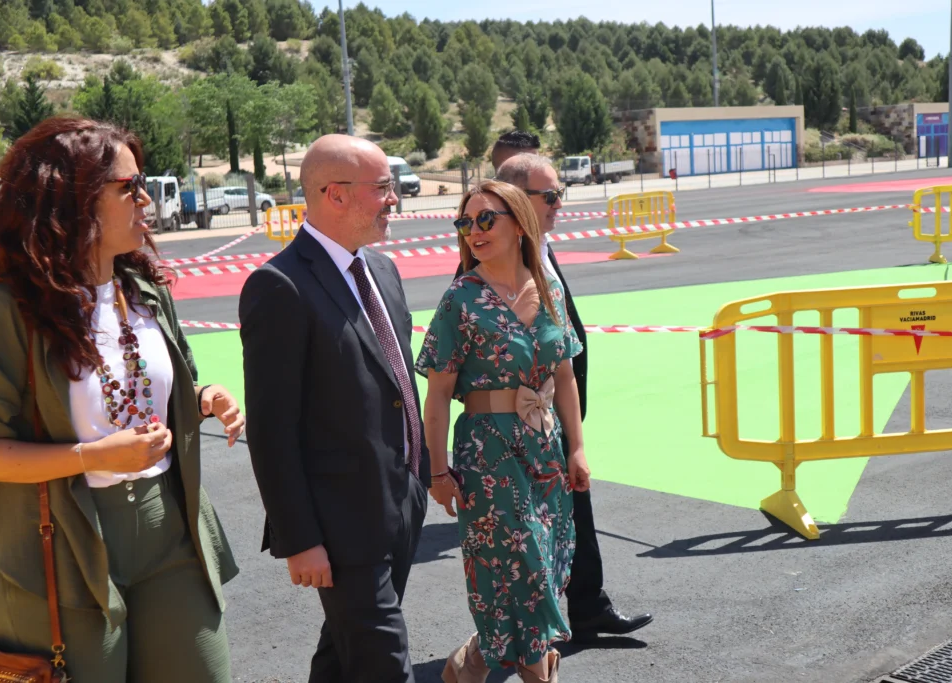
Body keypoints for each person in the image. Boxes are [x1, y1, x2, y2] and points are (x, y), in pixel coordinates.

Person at [0, 116, 244, 681]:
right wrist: (92, 457)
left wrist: (203, 395)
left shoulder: (145, 290)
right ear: (71, 200)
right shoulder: (6, 312)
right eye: (130, 186)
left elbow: (151, 389)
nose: (146, 198)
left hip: (169, 530)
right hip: (55, 548)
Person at [239, 134, 430, 683]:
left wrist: (420, 478)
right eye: (382, 187)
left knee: (343, 657)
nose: (393, 199)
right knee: (383, 663)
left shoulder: (383, 271)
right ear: (335, 194)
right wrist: (299, 539)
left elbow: (395, 384)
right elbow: (272, 430)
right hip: (340, 524)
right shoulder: (279, 286)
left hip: (401, 502)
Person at [463, 138, 655, 642]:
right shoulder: (485, 270)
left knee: (573, 515)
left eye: (559, 193)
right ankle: (516, 637)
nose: (559, 204)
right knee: (526, 534)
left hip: (553, 419)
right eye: (549, 196)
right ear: (515, 201)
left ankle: (585, 607)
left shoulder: (540, 251)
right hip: (516, 429)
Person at [420, 180, 590, 683]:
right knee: (523, 562)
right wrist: (437, 473)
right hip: (487, 451)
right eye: (465, 222)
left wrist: (577, 447)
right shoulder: (460, 300)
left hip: (545, 446)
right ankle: (537, 670)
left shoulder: (549, 287)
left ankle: (473, 660)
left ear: (519, 224)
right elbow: (436, 396)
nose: (473, 231)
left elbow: (564, 376)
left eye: (486, 219)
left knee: (544, 556)